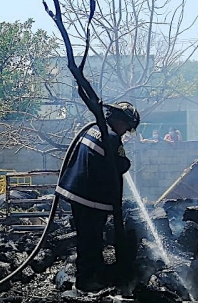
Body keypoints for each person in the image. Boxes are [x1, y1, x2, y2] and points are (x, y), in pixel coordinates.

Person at [55, 101, 140, 292]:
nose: (125, 132)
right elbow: (120, 165)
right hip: (90, 198)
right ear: (120, 120)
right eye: (126, 127)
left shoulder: (93, 129)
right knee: (91, 241)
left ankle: (90, 276)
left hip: (77, 193)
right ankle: (86, 281)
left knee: (87, 238)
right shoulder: (111, 138)